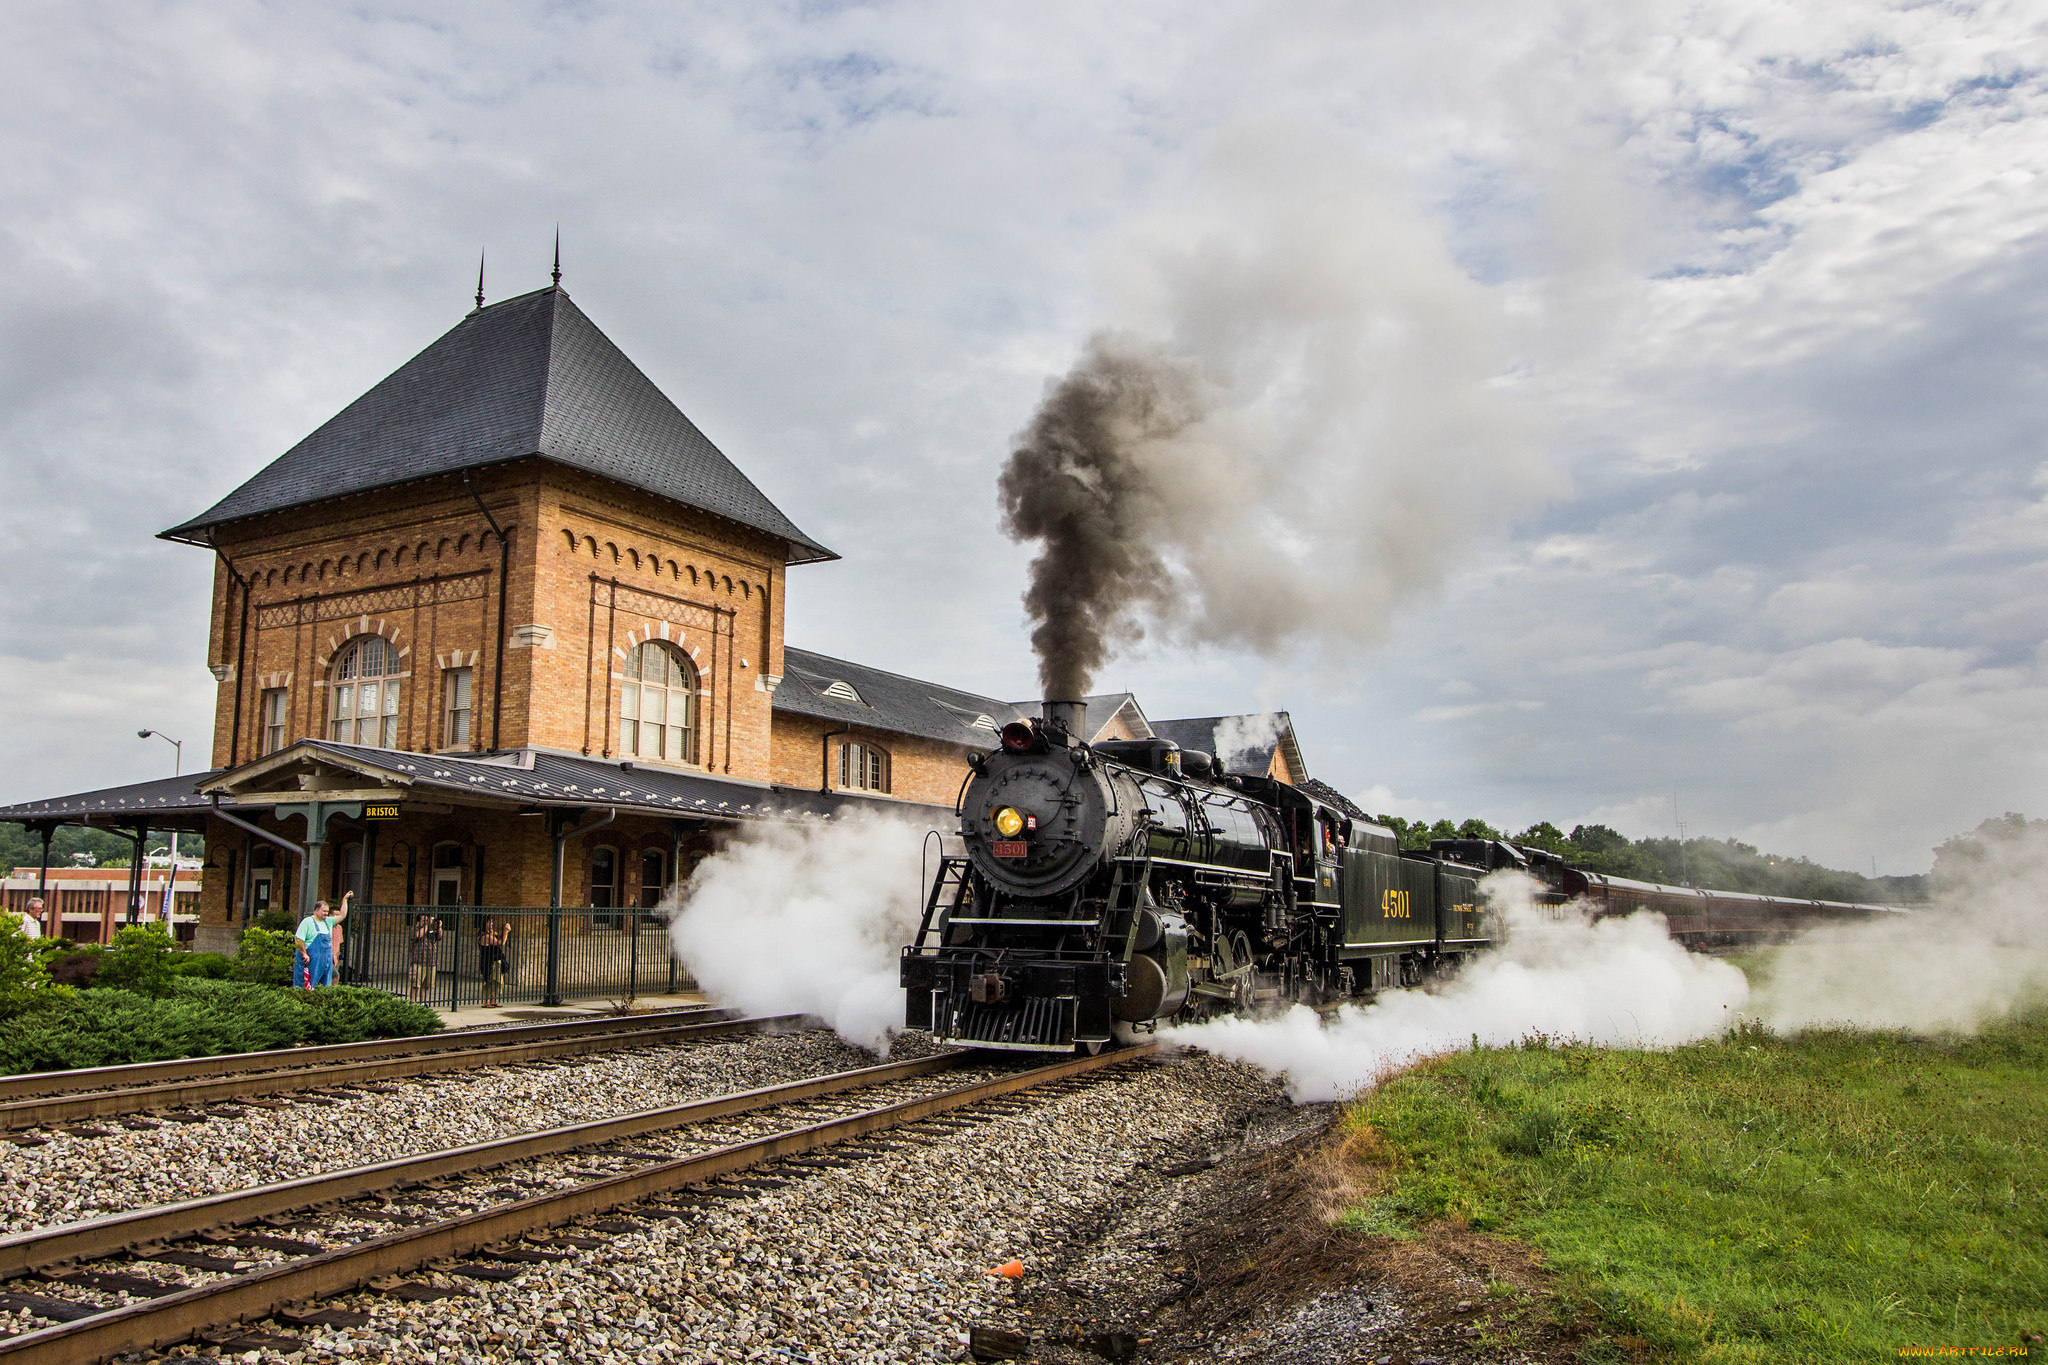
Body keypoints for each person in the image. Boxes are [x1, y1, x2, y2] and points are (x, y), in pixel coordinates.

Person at [294, 891, 351, 989]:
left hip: (325, 961)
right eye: (323, 911)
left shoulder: (328, 921)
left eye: (327, 911)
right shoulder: (307, 922)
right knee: (309, 986)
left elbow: (342, 915)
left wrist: (345, 899)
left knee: (325, 986)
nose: (326, 913)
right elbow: (298, 940)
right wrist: (304, 954)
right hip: (311, 960)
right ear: (316, 910)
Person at [478, 917, 512, 1007]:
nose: (492, 924)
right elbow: (501, 943)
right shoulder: (485, 936)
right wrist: (506, 932)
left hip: (496, 961)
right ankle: (486, 1001)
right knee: (489, 980)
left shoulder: (492, 934)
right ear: (485, 924)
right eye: (490, 922)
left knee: (496, 981)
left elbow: (499, 935)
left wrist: (504, 929)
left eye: (492, 922)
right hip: (488, 962)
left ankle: (493, 1000)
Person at [408, 913, 443, 1003]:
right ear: (418, 921)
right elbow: (418, 935)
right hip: (418, 961)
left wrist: (439, 927)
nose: (426, 922)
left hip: (431, 962)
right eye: (424, 920)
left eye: (427, 920)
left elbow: (439, 937)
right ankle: (413, 1001)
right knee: (416, 984)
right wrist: (427, 925)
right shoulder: (414, 930)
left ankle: (423, 1002)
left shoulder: (430, 931)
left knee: (427, 985)